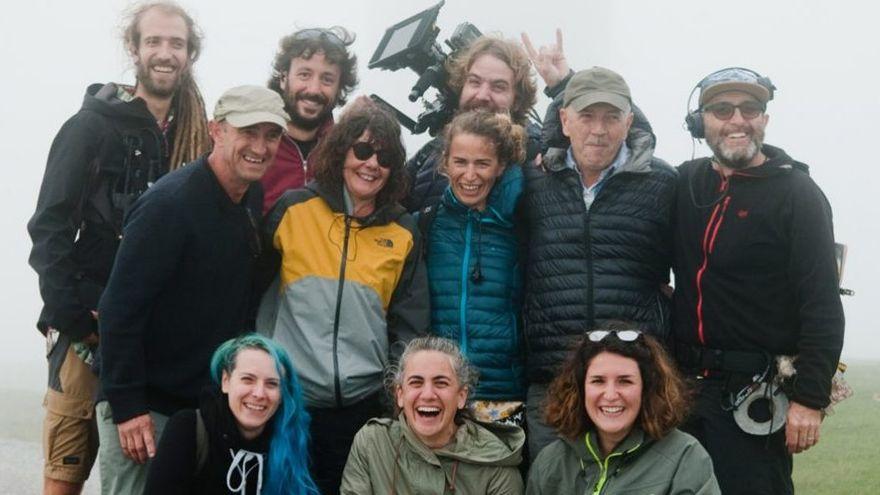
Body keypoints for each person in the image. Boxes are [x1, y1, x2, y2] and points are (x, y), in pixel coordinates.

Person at [26, 2, 209, 493]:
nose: (165, 53)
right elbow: (49, 228)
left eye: (176, 43)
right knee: (66, 469)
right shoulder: (91, 126)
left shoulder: (196, 136)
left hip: (152, 336)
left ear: (191, 54)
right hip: (85, 328)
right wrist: (78, 318)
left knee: (140, 474)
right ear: (133, 48)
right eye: (154, 41)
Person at [97, 85, 288, 494]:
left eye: (271, 135)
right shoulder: (169, 205)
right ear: (215, 130)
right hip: (144, 407)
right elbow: (119, 309)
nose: (261, 146)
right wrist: (129, 407)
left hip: (197, 408)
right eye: (248, 132)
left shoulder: (249, 196)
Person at [673, 67, 845, 495]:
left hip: (753, 395)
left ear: (765, 119)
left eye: (750, 109)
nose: (737, 120)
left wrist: (810, 399)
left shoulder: (798, 194)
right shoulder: (683, 182)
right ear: (701, 122)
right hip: (681, 391)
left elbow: (821, 304)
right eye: (721, 110)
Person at [256, 100, 430, 494]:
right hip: (291, 403)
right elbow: (251, 294)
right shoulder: (294, 209)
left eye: (384, 157)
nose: (371, 164)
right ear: (341, 152)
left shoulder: (404, 230)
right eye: (362, 150)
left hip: (362, 406)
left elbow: (410, 324)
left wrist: (390, 397)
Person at [520, 67, 676, 457]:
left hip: (632, 381)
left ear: (629, 122)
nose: (599, 129)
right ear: (564, 120)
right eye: (587, 116)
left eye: (611, 117)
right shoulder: (532, 180)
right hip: (553, 379)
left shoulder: (663, 183)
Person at [422, 110, 528, 425]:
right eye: (460, 162)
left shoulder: (521, 225)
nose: (470, 175)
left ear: (501, 167)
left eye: (482, 163)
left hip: (505, 392)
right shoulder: (427, 224)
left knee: (500, 475)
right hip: (440, 394)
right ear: (445, 164)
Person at [527, 325, 720, 495]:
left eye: (625, 381)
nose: (610, 395)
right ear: (580, 389)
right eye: (598, 381)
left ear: (647, 389)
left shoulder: (684, 457)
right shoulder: (551, 462)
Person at [341, 336, 525, 494]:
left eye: (441, 383)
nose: (428, 394)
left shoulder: (496, 464)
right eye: (416, 382)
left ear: (461, 396)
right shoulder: (372, 443)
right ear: (400, 394)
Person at [145, 334, 319, 494]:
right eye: (248, 379)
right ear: (226, 381)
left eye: (272, 384)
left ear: (283, 395)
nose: (259, 393)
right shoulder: (188, 429)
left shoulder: (294, 439)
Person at [402, 35, 546, 213]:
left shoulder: (538, 157)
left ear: (517, 100)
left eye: (498, 86)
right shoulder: (430, 153)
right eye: (474, 82)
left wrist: (561, 86)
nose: (482, 95)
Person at [260, 26, 358, 214]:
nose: (314, 89)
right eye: (304, 75)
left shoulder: (348, 150)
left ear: (340, 88)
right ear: (283, 77)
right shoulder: (253, 144)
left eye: (327, 79)